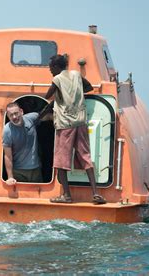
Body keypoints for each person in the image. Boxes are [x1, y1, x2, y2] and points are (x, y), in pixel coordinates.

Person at [45, 54, 106, 204]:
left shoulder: (57, 79)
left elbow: (47, 96)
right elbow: (89, 87)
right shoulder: (76, 75)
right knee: (85, 156)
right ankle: (95, 193)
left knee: (61, 161)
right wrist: (75, 94)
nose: (50, 71)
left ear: (57, 67)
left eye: (51, 67)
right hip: (80, 122)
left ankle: (66, 195)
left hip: (65, 124)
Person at [3, 102, 47, 185]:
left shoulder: (31, 118)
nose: (14, 117)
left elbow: (47, 116)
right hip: (19, 171)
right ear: (8, 117)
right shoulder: (7, 130)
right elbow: (8, 156)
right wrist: (10, 177)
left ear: (21, 111)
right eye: (11, 115)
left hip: (36, 169)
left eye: (16, 113)